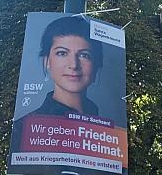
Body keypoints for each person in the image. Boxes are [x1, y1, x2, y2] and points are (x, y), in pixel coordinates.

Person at [8, 16, 107, 175]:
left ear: (96, 66)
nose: (73, 65)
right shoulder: (24, 128)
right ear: (47, 61)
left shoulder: (108, 134)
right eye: (62, 53)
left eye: (84, 55)